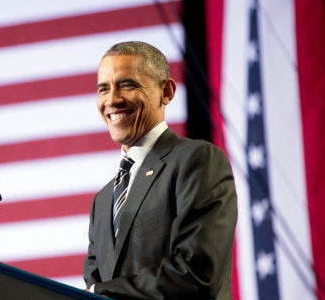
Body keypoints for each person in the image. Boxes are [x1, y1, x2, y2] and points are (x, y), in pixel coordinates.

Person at [83, 41, 238, 299]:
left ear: (165, 92)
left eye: (127, 84)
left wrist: (101, 290)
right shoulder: (102, 201)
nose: (112, 100)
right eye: (103, 89)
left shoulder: (196, 160)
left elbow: (197, 273)